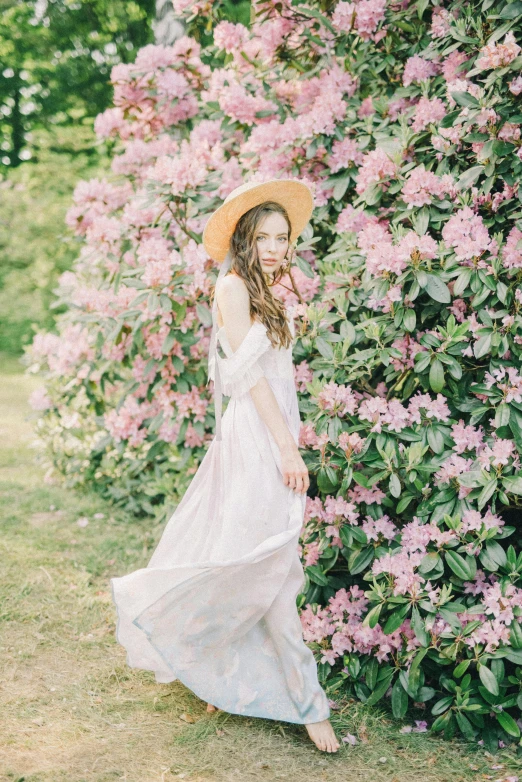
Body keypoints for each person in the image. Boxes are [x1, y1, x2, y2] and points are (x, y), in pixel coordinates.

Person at [110, 179, 340, 754]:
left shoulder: (270, 286)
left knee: (251, 553)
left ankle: (211, 664)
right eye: (262, 237)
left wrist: (295, 312)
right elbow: (248, 378)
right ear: (243, 238)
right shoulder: (233, 287)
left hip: (277, 421)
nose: (273, 246)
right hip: (257, 433)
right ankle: (309, 702)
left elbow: (277, 364)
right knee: (271, 560)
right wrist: (286, 447)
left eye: (282, 237)